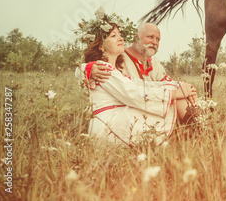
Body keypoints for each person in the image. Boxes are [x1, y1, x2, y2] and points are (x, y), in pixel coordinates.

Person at [79, 9, 198, 145]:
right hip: (109, 126)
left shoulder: (118, 68)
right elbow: (133, 93)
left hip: (120, 116)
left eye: (158, 39)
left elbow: (141, 85)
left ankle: (198, 127)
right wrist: (85, 69)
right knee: (172, 101)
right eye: (113, 36)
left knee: (176, 94)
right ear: (101, 46)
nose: (121, 38)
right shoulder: (102, 69)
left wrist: (181, 86)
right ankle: (198, 130)